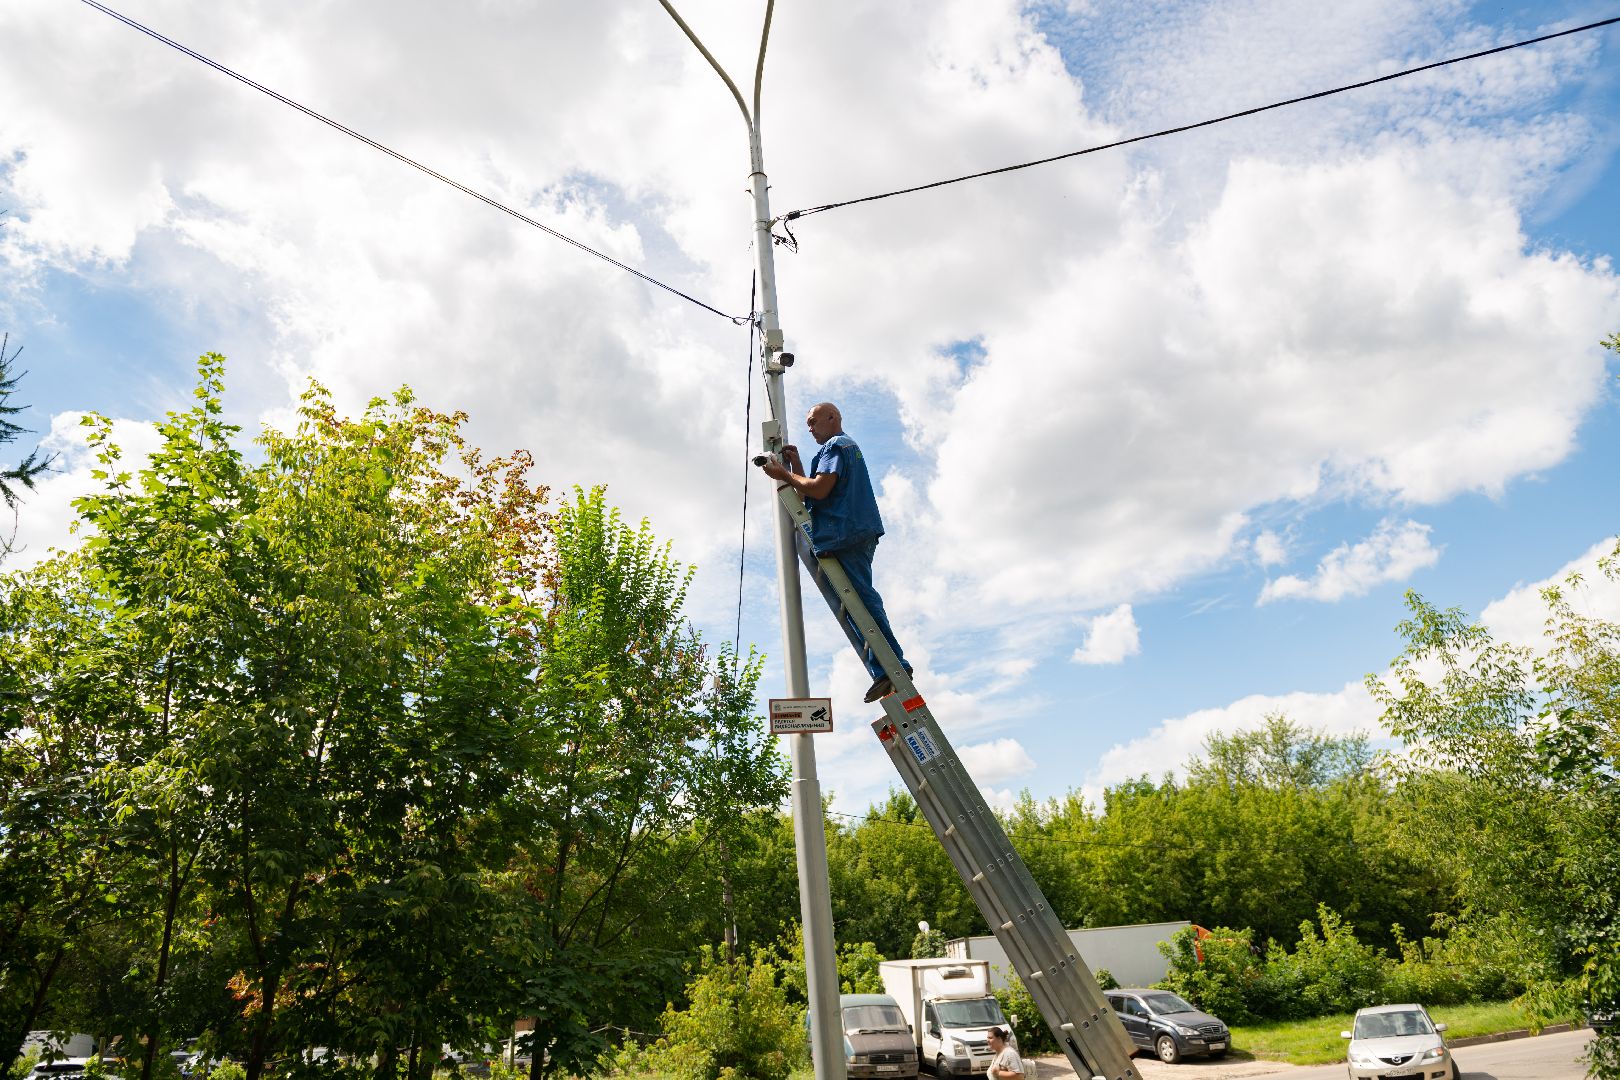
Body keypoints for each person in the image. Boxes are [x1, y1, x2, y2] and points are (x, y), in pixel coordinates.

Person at [760, 401, 910, 703]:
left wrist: (782, 475)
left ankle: (895, 666)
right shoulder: (838, 449)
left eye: (814, 422)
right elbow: (815, 490)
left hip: (847, 532)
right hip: (848, 531)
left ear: (833, 418)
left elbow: (819, 490)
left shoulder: (838, 444)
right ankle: (883, 669)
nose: (811, 429)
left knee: (862, 599)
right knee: (855, 600)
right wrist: (797, 467)